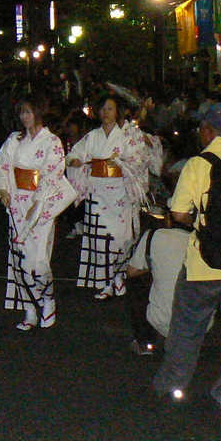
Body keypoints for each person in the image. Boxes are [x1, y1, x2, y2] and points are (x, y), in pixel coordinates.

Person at [152, 102, 221, 410]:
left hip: (203, 264)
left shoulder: (197, 165)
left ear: (209, 131)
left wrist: (199, 220)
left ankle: (174, 385)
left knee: (187, 328)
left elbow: (179, 212)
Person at [0, 92, 77, 330]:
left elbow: (52, 173)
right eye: (22, 112)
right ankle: (29, 308)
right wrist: (4, 190)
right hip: (17, 201)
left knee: (38, 260)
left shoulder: (52, 142)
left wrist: (38, 203)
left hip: (42, 204)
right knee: (20, 257)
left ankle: (47, 300)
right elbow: (2, 166)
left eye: (29, 111)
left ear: (39, 113)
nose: (25, 116)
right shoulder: (14, 139)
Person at [66, 94, 149, 299]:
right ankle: (106, 282)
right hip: (97, 191)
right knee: (100, 239)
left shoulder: (128, 135)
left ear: (117, 111)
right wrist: (74, 161)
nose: (106, 112)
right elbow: (73, 154)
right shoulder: (92, 136)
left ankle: (117, 273)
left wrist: (120, 163)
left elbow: (139, 159)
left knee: (123, 238)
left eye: (110, 108)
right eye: (102, 108)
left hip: (120, 191)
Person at [124, 222, 190, 355]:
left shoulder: (154, 235)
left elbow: (131, 271)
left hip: (161, 320)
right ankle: (195, 343)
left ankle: (145, 342)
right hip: (199, 322)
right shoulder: (205, 237)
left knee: (136, 282)